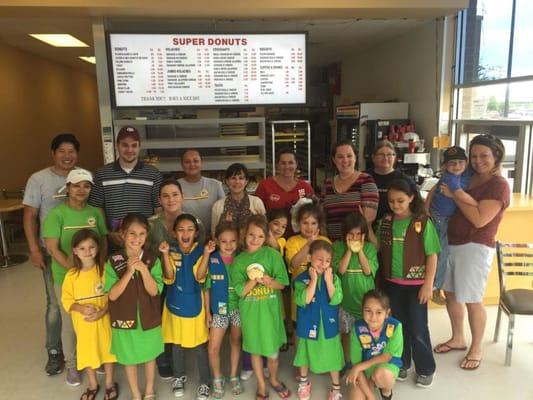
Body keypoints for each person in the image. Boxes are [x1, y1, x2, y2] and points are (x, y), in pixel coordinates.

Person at [434, 134, 510, 371]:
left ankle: (476, 347)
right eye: (474, 156)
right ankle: (458, 337)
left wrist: (454, 195)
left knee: (472, 299)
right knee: (451, 294)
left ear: (496, 155)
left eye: (484, 155)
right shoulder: (469, 176)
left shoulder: (498, 185)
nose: (478, 161)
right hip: (451, 242)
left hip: (475, 246)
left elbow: (479, 219)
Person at [43, 168, 108, 386]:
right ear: (68, 188)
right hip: (67, 276)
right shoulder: (57, 214)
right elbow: (52, 248)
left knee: (98, 318)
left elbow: (103, 240)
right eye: (76, 185)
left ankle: (96, 358)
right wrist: (76, 270)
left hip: (95, 275)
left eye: (86, 186)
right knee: (73, 323)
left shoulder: (95, 213)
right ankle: (72, 364)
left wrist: (98, 268)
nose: (81, 190)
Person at [23, 133, 80, 376]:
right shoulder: (39, 179)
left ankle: (84, 350)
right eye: (62, 151)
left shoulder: (82, 177)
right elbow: (29, 216)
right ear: (53, 154)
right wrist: (35, 249)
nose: (67, 156)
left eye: (71, 152)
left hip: (83, 255)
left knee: (86, 301)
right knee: (56, 305)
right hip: (52, 253)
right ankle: (55, 352)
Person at [377, 179, 440, 388]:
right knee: (397, 326)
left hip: (416, 286)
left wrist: (428, 284)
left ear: (412, 198)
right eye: (392, 201)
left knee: (418, 328)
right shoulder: (386, 221)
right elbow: (377, 245)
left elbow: (432, 255)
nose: (396, 205)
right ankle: (402, 362)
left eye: (401, 200)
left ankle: (425, 368)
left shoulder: (422, 222)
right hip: (391, 284)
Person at [230, 215, 291, 400]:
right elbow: (240, 291)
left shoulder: (272, 255)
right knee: (255, 351)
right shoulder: (239, 261)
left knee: (273, 353)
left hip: (271, 315)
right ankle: (262, 385)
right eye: (251, 235)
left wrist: (270, 281)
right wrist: (252, 280)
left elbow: (283, 283)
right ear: (244, 235)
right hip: (251, 316)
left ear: (266, 238)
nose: (255, 240)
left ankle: (273, 379)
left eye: (260, 236)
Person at [105, 213, 164, 400]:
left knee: (149, 355)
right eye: (132, 233)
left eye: (141, 234)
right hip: (124, 319)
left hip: (148, 318)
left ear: (146, 236)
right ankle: (136, 393)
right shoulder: (113, 262)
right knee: (128, 358)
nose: (136, 239)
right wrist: (129, 271)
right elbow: (112, 294)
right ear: (122, 234)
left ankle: (149, 390)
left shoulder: (152, 259)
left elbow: (154, 291)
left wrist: (144, 270)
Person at [158, 213, 211, 400]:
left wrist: (205, 255)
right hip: (174, 305)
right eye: (180, 230)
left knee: (199, 347)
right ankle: (178, 376)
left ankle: (205, 382)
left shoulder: (200, 250)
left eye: (190, 229)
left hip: (195, 307)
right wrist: (165, 255)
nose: (185, 233)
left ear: (196, 233)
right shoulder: (170, 249)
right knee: (176, 344)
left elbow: (201, 276)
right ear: (174, 233)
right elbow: (169, 277)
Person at [61, 229, 118, 400]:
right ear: (75, 251)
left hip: (104, 321)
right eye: (82, 248)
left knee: (108, 351)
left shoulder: (105, 269)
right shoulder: (71, 275)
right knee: (87, 353)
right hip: (84, 325)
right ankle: (93, 384)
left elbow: (113, 295)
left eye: (91, 247)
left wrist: (103, 311)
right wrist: (80, 308)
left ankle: (109, 383)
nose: (87, 252)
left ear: (98, 248)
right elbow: (67, 300)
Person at [89, 126, 162, 250]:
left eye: (134, 145)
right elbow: (97, 208)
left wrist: (149, 235)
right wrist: (107, 233)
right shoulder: (102, 174)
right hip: (113, 242)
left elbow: (158, 210)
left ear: (139, 147)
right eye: (125, 145)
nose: (129, 150)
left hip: (144, 243)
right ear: (117, 146)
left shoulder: (153, 174)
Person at [293, 240, 344, 400]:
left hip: (328, 325)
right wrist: (314, 280)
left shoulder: (334, 278)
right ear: (309, 257)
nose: (323, 264)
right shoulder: (300, 279)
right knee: (304, 354)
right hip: (308, 324)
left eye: (327, 260)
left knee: (333, 354)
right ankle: (304, 383)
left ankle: (335, 388)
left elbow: (336, 299)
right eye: (319, 259)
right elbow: (304, 300)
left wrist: (328, 280)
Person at [424, 146, 475, 304]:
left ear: (466, 162)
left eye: (461, 162)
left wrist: (426, 206)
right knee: (441, 253)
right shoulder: (451, 178)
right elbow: (460, 195)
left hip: (442, 217)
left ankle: (435, 285)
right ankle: (434, 287)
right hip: (440, 219)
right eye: (452, 163)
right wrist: (478, 205)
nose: (457, 166)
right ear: (445, 166)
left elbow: (433, 189)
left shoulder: (464, 173)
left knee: (440, 253)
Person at [332, 212, 378, 375]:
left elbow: (367, 271)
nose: (355, 238)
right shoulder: (338, 247)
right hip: (346, 303)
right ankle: (348, 362)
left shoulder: (370, 249)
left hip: (366, 305)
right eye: (351, 234)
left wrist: (360, 251)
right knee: (346, 334)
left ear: (364, 235)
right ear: (345, 235)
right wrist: (350, 251)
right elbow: (341, 270)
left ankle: (366, 363)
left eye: (358, 234)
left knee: (366, 335)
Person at [204, 223, 243, 398]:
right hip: (218, 311)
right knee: (213, 347)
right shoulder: (212, 259)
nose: (229, 245)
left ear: (239, 240)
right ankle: (217, 378)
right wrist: (207, 313)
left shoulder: (242, 258)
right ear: (217, 241)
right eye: (224, 241)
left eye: (233, 241)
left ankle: (234, 375)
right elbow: (206, 288)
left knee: (235, 342)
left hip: (238, 308)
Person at [346, 289, 403, 400]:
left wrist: (358, 367)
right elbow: (356, 363)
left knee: (383, 375)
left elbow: (387, 356)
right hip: (365, 370)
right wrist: (371, 397)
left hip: (386, 365)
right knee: (356, 398)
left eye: (379, 312)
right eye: (368, 311)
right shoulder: (357, 329)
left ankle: (386, 392)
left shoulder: (395, 326)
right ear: (362, 310)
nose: (373, 317)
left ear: (387, 313)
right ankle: (371, 383)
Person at [322, 140, 379, 241]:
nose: (345, 160)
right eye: (340, 157)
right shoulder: (328, 184)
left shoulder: (366, 181)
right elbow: (323, 217)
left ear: (355, 158)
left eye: (349, 156)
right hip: (332, 246)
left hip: (357, 245)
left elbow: (367, 220)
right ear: (334, 160)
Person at [285, 203, 331, 323]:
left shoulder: (325, 241)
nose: (309, 227)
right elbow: (293, 265)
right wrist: (309, 244)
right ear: (298, 223)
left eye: (313, 223)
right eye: (305, 223)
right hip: (300, 290)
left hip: (320, 290)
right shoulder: (292, 241)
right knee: (299, 323)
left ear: (319, 225)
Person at [255, 148, 314, 234]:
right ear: (277, 165)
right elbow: (257, 214)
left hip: (299, 238)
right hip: (272, 237)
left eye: (290, 163)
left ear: (296, 164)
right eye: (283, 163)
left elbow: (314, 214)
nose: (287, 167)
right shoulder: (265, 185)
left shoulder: (305, 187)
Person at [146, 178, 206, 255]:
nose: (171, 199)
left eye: (175, 194)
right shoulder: (150, 224)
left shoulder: (196, 223)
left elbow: (201, 253)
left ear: (182, 196)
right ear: (159, 200)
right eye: (165, 196)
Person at [211, 163, 266, 236]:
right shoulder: (217, 206)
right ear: (227, 181)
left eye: (241, 178)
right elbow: (214, 233)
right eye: (233, 178)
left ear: (246, 181)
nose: (237, 182)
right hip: (227, 246)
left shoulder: (256, 202)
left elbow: (264, 230)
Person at [366, 140, 413, 222]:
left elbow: (416, 205)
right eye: (381, 154)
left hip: (395, 227)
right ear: (373, 157)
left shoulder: (405, 180)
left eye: (389, 154)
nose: (385, 158)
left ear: (395, 157)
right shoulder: (364, 177)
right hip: (367, 226)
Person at [178, 149, 225, 231]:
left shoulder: (216, 185)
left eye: (196, 161)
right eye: (187, 162)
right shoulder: (175, 186)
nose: (192, 164)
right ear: (182, 165)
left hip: (211, 239)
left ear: (201, 163)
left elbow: (224, 213)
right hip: (185, 239)